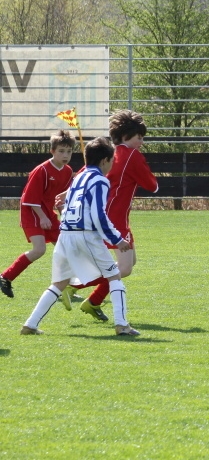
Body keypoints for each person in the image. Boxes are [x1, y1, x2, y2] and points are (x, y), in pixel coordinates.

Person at [21, 136, 139, 336]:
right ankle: (122, 325)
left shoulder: (78, 178)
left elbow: (67, 207)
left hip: (66, 234)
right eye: (112, 160)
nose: (112, 165)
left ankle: (30, 325)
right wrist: (117, 239)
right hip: (85, 235)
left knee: (58, 283)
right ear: (104, 161)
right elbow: (98, 215)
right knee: (114, 276)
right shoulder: (100, 181)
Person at [76, 109, 159, 322]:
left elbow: (82, 174)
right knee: (124, 267)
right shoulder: (132, 155)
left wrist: (65, 194)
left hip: (103, 215)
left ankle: (92, 301)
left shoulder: (107, 152)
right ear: (125, 137)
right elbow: (153, 186)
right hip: (114, 219)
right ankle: (74, 288)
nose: (141, 142)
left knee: (131, 261)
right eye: (139, 138)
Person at [0, 131, 75, 303]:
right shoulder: (41, 170)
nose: (65, 155)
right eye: (61, 151)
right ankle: (6, 277)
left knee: (67, 248)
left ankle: (66, 286)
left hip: (48, 212)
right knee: (39, 249)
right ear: (52, 151)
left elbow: (60, 198)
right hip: (32, 212)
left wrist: (63, 212)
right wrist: (42, 217)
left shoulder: (67, 171)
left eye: (69, 151)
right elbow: (29, 199)